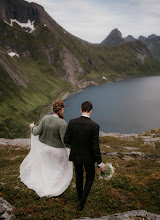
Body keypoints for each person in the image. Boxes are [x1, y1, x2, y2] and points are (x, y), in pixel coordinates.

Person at [19, 99, 73, 197]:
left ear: (53, 108)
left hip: (46, 150)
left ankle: (45, 184)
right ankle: (54, 187)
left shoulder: (45, 118)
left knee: (48, 167)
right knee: (62, 168)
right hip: (58, 152)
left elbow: (36, 132)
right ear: (62, 109)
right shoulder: (62, 123)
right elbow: (65, 142)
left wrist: (32, 126)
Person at [64, 101, 104, 211]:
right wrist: (99, 162)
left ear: (81, 110)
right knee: (90, 178)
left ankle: (79, 197)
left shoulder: (72, 122)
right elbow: (95, 146)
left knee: (79, 176)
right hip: (89, 158)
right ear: (91, 111)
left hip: (76, 155)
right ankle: (81, 203)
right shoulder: (94, 126)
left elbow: (66, 140)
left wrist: (76, 142)